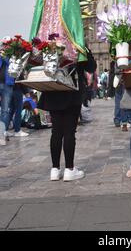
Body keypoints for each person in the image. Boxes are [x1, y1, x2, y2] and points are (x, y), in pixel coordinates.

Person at [38, 50, 96, 182]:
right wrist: (86, 51)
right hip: (71, 90)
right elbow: (91, 67)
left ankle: (55, 169)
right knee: (69, 132)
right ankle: (69, 169)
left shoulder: (50, 41)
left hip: (53, 89)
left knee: (56, 132)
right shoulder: (76, 43)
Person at [0, 53, 17, 145]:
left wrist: (5, 57)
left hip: (7, 86)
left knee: (5, 110)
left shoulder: (11, 57)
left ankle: (2, 133)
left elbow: (14, 68)